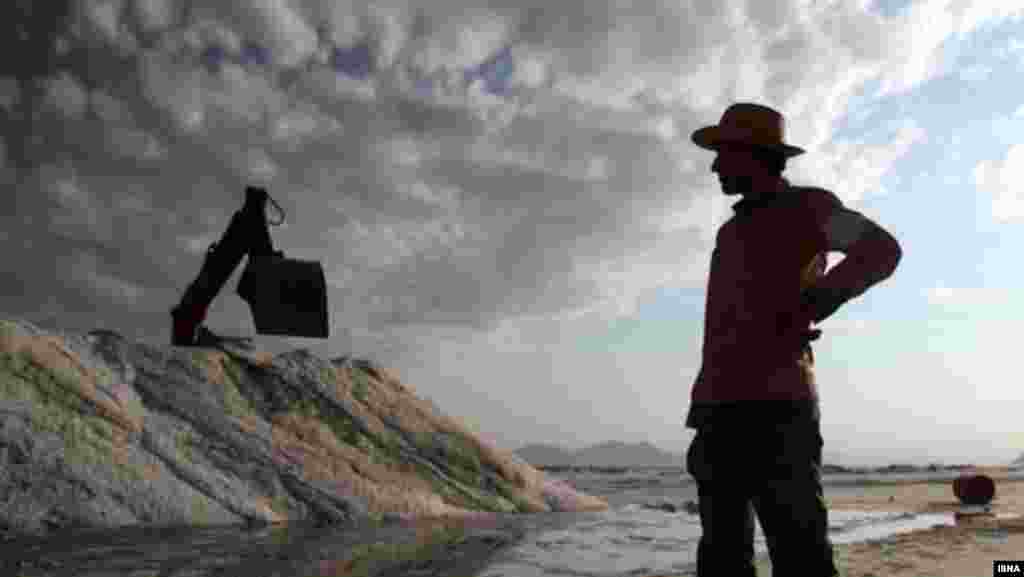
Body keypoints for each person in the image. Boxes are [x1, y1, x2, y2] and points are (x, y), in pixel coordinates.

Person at [684, 102, 902, 577]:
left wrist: (821, 300)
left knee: (801, 556)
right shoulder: (732, 230)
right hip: (717, 412)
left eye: (725, 154)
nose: (716, 165)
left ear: (757, 156)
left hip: (778, 412)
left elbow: (881, 249)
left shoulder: (810, 208)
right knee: (721, 559)